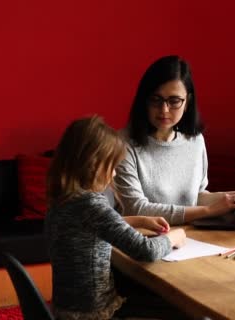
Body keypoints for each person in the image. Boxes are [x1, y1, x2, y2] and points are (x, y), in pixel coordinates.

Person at [45, 115, 187, 320]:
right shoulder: (91, 204)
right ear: (92, 164)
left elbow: (92, 228)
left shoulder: (63, 199)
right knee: (178, 309)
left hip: (67, 309)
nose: (113, 175)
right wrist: (175, 237)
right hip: (95, 314)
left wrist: (140, 221)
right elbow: (145, 250)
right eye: (111, 167)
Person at [115, 55, 235, 225]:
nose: (164, 109)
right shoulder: (123, 144)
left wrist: (230, 198)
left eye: (174, 101)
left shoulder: (195, 141)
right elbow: (136, 209)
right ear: (144, 101)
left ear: (187, 102)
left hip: (189, 238)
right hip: (143, 240)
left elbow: (195, 198)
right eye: (156, 99)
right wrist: (208, 211)